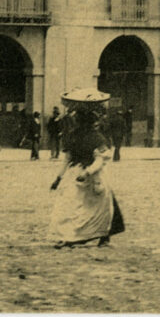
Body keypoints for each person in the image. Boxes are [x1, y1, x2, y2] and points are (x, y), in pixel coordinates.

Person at [49, 94, 125, 249]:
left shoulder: (93, 137)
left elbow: (100, 160)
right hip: (79, 173)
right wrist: (58, 178)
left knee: (97, 206)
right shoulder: (78, 136)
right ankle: (71, 235)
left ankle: (98, 235)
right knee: (73, 204)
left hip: (90, 175)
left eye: (78, 120)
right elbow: (68, 159)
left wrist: (85, 173)